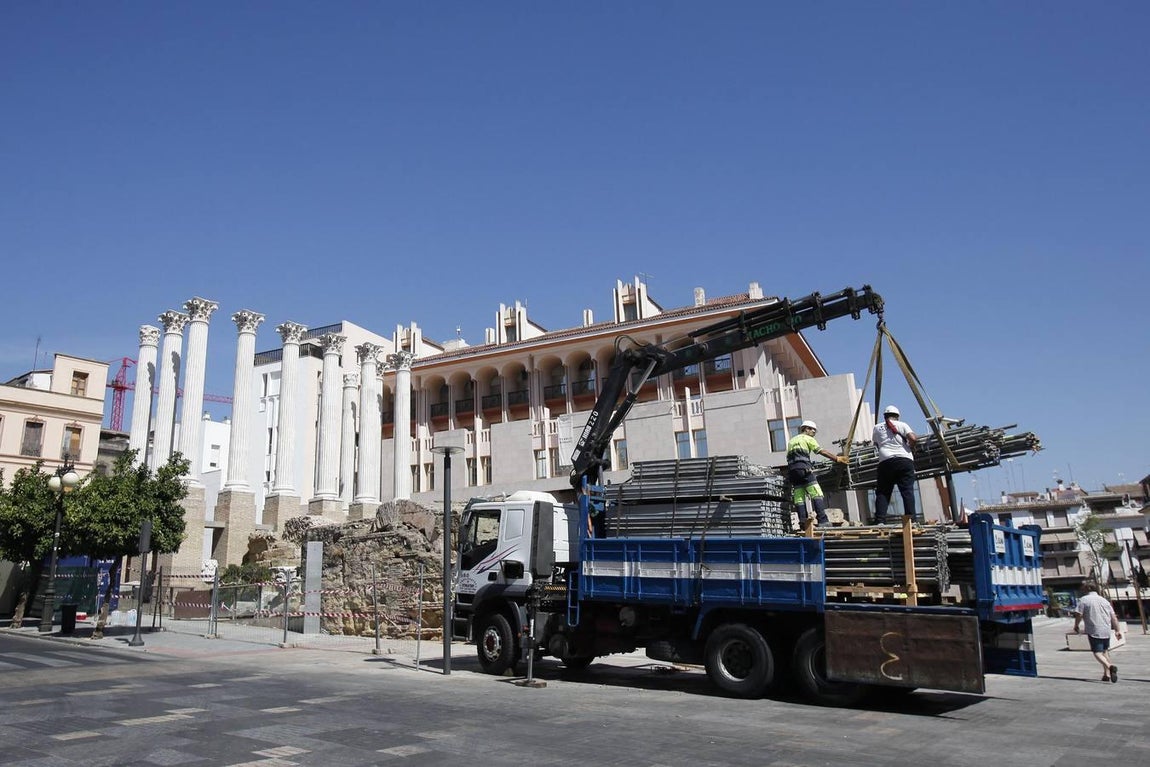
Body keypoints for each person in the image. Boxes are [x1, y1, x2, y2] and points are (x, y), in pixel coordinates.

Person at [786, 420, 848, 526]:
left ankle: (803, 523)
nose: (814, 433)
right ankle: (823, 520)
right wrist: (837, 458)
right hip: (804, 470)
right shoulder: (808, 439)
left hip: (793, 472)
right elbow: (821, 451)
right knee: (816, 493)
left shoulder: (792, 440)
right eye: (812, 430)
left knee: (799, 497)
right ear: (806, 429)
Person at [871, 405, 918, 525]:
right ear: (897, 416)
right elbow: (913, 438)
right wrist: (911, 446)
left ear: (884, 416)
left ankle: (880, 521)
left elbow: (876, 444)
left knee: (883, 492)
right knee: (907, 490)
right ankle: (911, 520)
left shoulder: (876, 428)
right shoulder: (902, 424)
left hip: (885, 462)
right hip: (904, 460)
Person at [1074, 583, 1122, 682]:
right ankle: (1106, 675)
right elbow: (1113, 617)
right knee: (1105, 651)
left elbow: (1079, 614)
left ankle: (1110, 667)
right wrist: (1118, 630)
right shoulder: (1104, 600)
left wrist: (1076, 625)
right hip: (1106, 629)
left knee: (1097, 652)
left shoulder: (1084, 600)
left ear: (1086, 589)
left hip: (1094, 629)